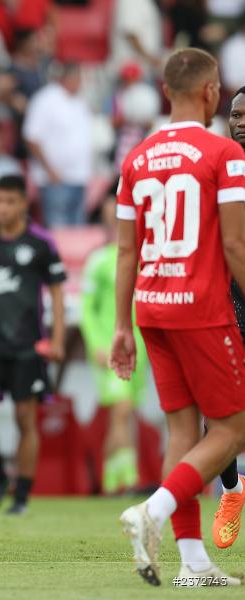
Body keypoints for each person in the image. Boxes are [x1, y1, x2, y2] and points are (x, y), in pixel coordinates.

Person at [113, 48, 245, 587]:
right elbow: (234, 242)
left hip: (151, 305)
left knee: (183, 431)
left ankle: (193, 564)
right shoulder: (224, 154)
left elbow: (126, 251)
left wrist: (121, 326)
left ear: (167, 92)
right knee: (235, 429)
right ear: (211, 91)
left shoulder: (136, 157)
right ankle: (153, 510)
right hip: (202, 307)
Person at [0, 174, 67, 516]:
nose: (2, 208)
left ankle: (21, 495)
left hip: (27, 344)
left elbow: (56, 292)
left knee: (26, 418)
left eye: (9, 201)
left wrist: (58, 339)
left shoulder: (41, 243)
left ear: (23, 203)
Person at [80, 192, 146, 494]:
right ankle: (128, 480)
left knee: (125, 413)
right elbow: (86, 310)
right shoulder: (98, 260)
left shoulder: (143, 256)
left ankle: (109, 480)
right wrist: (95, 343)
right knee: (120, 410)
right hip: (109, 347)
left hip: (140, 350)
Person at [210, 85, 245, 550]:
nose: (239, 121)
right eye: (235, 114)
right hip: (227, 298)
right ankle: (232, 493)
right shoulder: (216, 164)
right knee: (215, 410)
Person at [22, 62, 92, 227]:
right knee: (59, 233)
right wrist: (50, 171)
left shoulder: (80, 102)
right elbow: (31, 137)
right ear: (67, 77)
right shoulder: (46, 99)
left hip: (79, 178)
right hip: (55, 180)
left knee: (78, 235)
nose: (81, 82)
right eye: (78, 78)